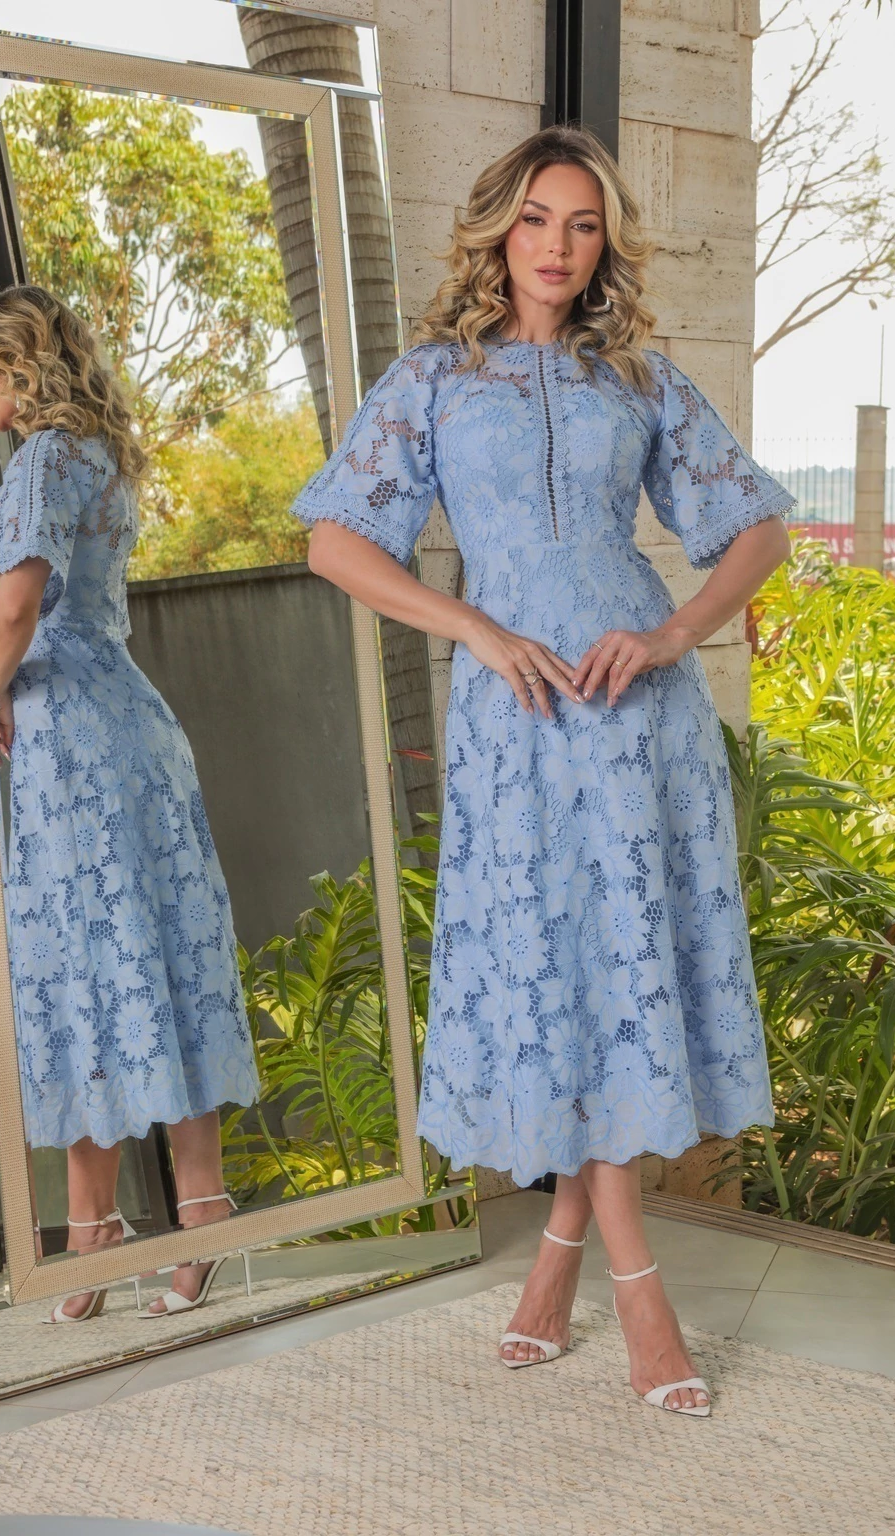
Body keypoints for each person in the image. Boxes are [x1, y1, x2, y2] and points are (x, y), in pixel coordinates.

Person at [291, 126, 794, 1417]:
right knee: (556, 969)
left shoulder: (641, 378)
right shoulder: (434, 379)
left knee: (611, 972)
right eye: (534, 220)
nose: (558, 246)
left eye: (580, 223)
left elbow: (756, 531)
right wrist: (471, 626)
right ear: (497, 231)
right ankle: (628, 1289)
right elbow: (336, 542)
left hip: (636, 714)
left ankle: (576, 1267)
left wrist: (674, 634)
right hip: (513, 712)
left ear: (603, 239)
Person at [0, 285, 259, 1321]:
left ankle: (105, 1227)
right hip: (123, 721)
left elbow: (16, 605)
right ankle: (162, 1216)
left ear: (16, 364)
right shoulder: (95, 454)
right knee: (153, 956)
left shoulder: (46, 458)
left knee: (83, 966)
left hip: (67, 734)